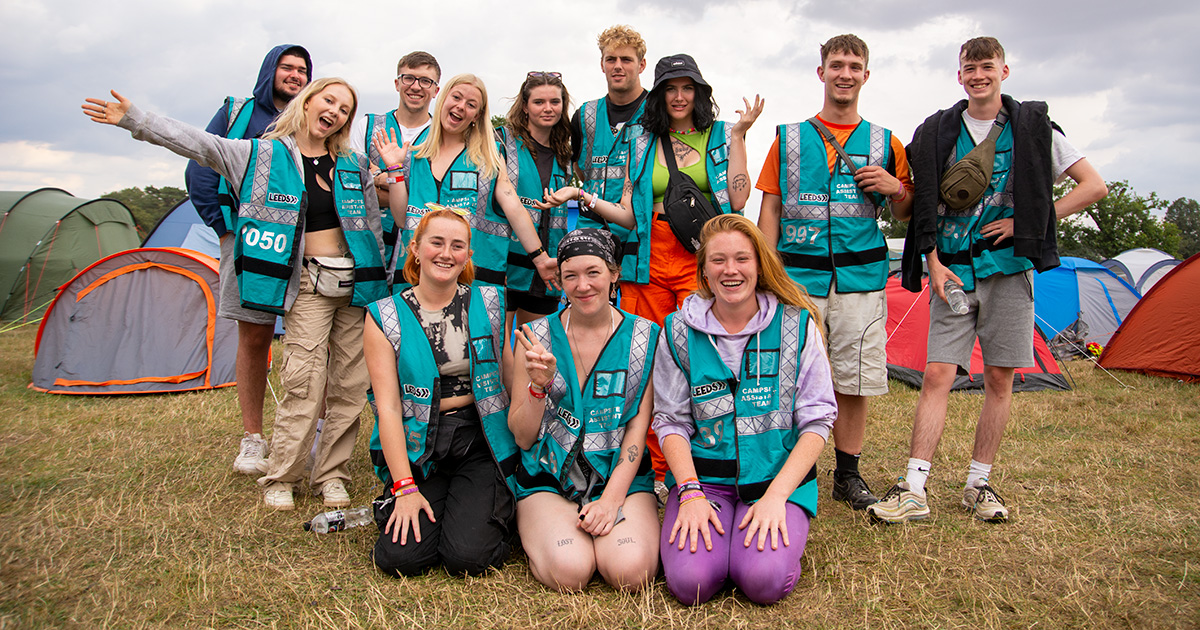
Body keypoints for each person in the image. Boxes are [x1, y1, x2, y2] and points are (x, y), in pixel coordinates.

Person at [84, 78, 392, 511]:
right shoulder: (258, 154)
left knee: (349, 385)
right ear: (307, 102)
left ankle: (332, 475)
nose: (336, 112)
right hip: (306, 285)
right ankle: (283, 474)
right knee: (304, 380)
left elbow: (374, 227)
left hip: (355, 285)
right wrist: (137, 120)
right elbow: (198, 144)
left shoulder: (353, 165)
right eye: (329, 100)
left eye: (345, 109)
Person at [869, 37, 1107, 524]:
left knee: (999, 378)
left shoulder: (1034, 128)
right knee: (937, 374)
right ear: (959, 76)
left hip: (1009, 270)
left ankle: (979, 484)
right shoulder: (936, 132)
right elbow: (919, 204)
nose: (978, 75)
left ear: (1004, 71)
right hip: (951, 269)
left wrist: (1031, 223)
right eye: (969, 67)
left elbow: (1094, 185)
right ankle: (913, 487)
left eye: (987, 66)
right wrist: (931, 260)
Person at [544, 53, 762, 486]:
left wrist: (738, 136)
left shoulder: (719, 134)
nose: (679, 97)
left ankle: (712, 458)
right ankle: (660, 471)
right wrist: (583, 197)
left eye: (687, 88)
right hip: (647, 258)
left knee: (705, 356)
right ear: (659, 95)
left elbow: (737, 201)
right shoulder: (640, 139)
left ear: (699, 92)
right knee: (651, 359)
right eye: (670, 88)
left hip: (701, 257)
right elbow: (628, 215)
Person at [755, 34, 914, 511]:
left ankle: (848, 474)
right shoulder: (788, 138)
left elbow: (907, 212)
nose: (845, 73)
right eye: (837, 64)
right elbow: (770, 211)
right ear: (820, 72)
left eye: (855, 65)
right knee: (786, 377)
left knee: (853, 380)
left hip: (860, 281)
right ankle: (788, 470)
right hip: (797, 281)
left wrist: (895, 188)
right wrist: (768, 274)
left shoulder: (888, 142)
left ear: (866, 74)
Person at [652, 214, 836, 605]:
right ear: (703, 271)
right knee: (690, 584)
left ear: (759, 265)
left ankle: (760, 543)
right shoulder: (676, 331)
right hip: (705, 483)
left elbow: (818, 420)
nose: (730, 270)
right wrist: (690, 493)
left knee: (763, 581)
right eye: (717, 260)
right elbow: (670, 422)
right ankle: (722, 539)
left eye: (742, 259)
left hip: (774, 483)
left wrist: (776, 498)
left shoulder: (797, 326)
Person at [363, 208, 519, 577]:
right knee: (399, 560)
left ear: (468, 255)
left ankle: (490, 508)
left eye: (457, 245)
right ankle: (423, 501)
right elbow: (387, 411)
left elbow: (511, 383)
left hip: (480, 441)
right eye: (436, 242)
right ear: (415, 248)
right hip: (422, 446)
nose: (446, 253)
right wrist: (404, 487)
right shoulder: (383, 316)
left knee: (466, 559)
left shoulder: (492, 302)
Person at [183, 44, 313, 475]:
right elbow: (200, 168)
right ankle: (252, 438)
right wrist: (224, 227)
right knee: (255, 337)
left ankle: (303, 435)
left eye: (302, 70)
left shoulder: (309, 118)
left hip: (300, 244)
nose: (294, 75)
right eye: (287, 67)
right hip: (247, 241)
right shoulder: (238, 114)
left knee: (308, 339)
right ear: (269, 70)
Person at [508, 228, 660, 592]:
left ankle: (601, 527)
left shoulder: (646, 336)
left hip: (619, 477)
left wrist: (610, 502)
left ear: (614, 273)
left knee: (631, 571)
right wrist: (538, 386)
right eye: (570, 275)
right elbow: (523, 435)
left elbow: (638, 430)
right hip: (550, 477)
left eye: (593, 272)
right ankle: (554, 529)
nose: (582, 285)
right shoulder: (535, 337)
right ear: (558, 281)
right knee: (570, 570)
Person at [383, 74, 558, 295]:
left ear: (477, 115)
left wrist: (540, 258)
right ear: (443, 99)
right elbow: (401, 219)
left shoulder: (489, 156)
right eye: (456, 97)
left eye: (471, 104)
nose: (460, 107)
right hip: (417, 278)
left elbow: (514, 207)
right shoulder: (414, 153)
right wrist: (394, 169)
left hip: (473, 280)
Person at [352, 51, 441, 281]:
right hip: (368, 240)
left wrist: (378, 176)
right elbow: (352, 186)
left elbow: (433, 199)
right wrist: (400, 185)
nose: (416, 86)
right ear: (397, 83)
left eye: (425, 81)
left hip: (416, 249)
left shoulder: (441, 137)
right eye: (409, 78)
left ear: (435, 90)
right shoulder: (368, 126)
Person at [496, 72, 573, 331]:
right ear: (525, 107)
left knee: (536, 345)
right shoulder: (501, 141)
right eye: (539, 102)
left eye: (555, 101)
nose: (548, 108)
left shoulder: (566, 154)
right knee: (499, 343)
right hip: (505, 264)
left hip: (547, 271)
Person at [571, 25, 649, 237]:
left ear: (641, 65)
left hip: (639, 231)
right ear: (602, 64)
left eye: (626, 59)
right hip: (590, 227)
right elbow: (580, 168)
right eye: (611, 59)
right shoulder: (584, 115)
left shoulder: (657, 112)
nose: (618, 66)